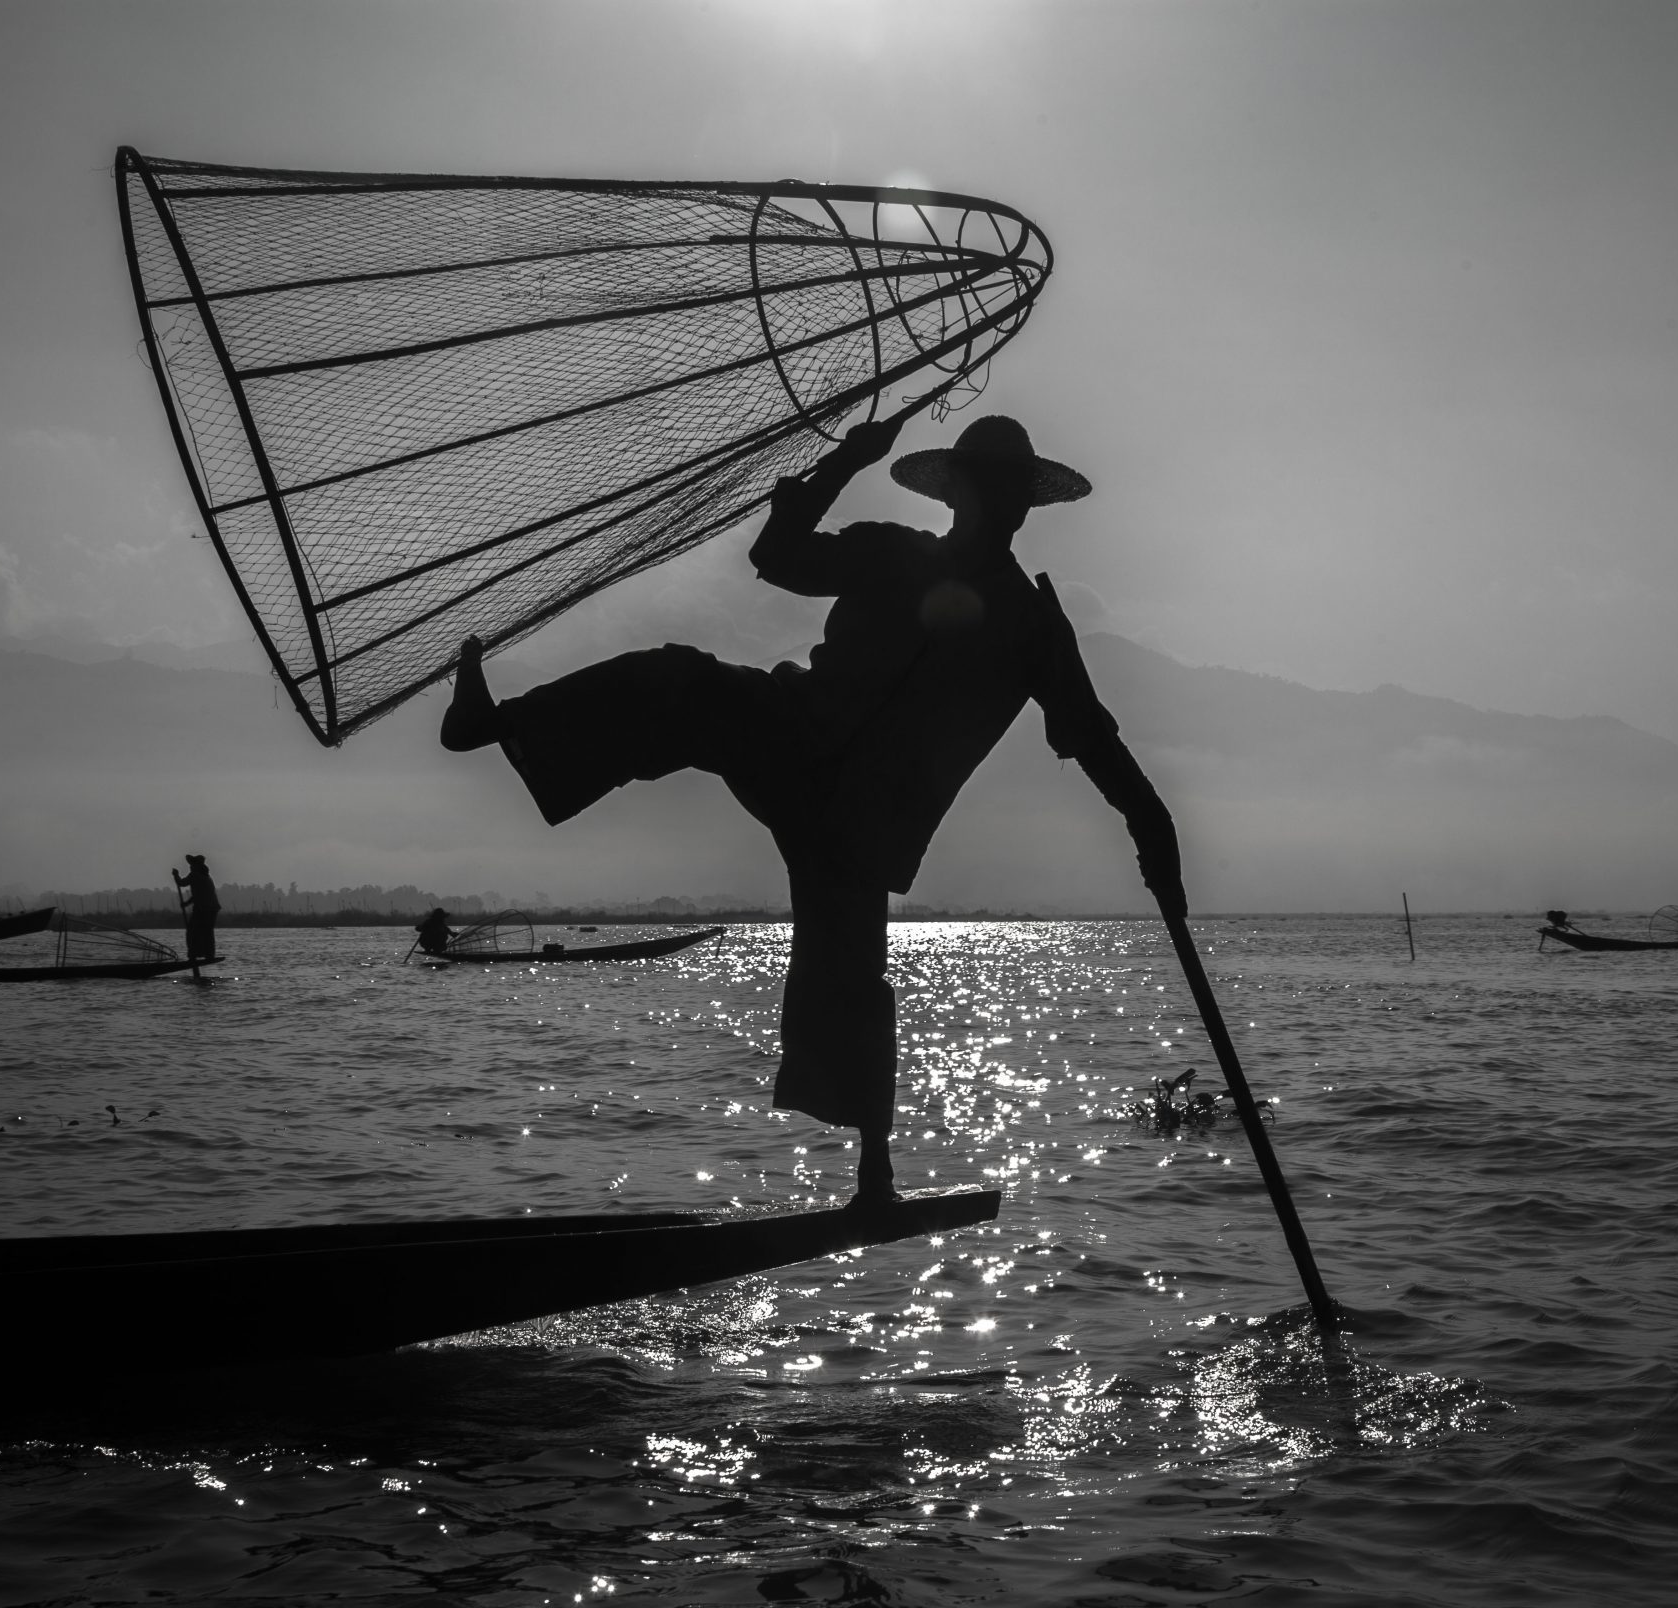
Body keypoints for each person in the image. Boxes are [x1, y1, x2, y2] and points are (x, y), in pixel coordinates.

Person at [442, 414, 1181, 1206]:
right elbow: (778, 556)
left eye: (1010, 491)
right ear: (959, 492)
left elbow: (1093, 738)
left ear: (1024, 506)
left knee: (853, 976)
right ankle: (495, 722)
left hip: (866, 822)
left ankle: (875, 1177)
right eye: (984, 485)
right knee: (679, 681)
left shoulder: (1033, 627)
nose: (997, 503)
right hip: (789, 735)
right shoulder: (893, 553)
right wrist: (840, 464)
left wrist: (1153, 827)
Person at [173, 854, 220, 963]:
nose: (190, 867)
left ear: (195, 866)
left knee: (192, 931)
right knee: (207, 932)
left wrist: (176, 875)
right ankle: (208, 955)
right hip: (211, 909)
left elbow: (182, 883)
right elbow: (198, 895)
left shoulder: (195, 875)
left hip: (204, 908)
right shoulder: (206, 876)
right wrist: (186, 903)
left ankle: (193, 955)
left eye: (191, 865)